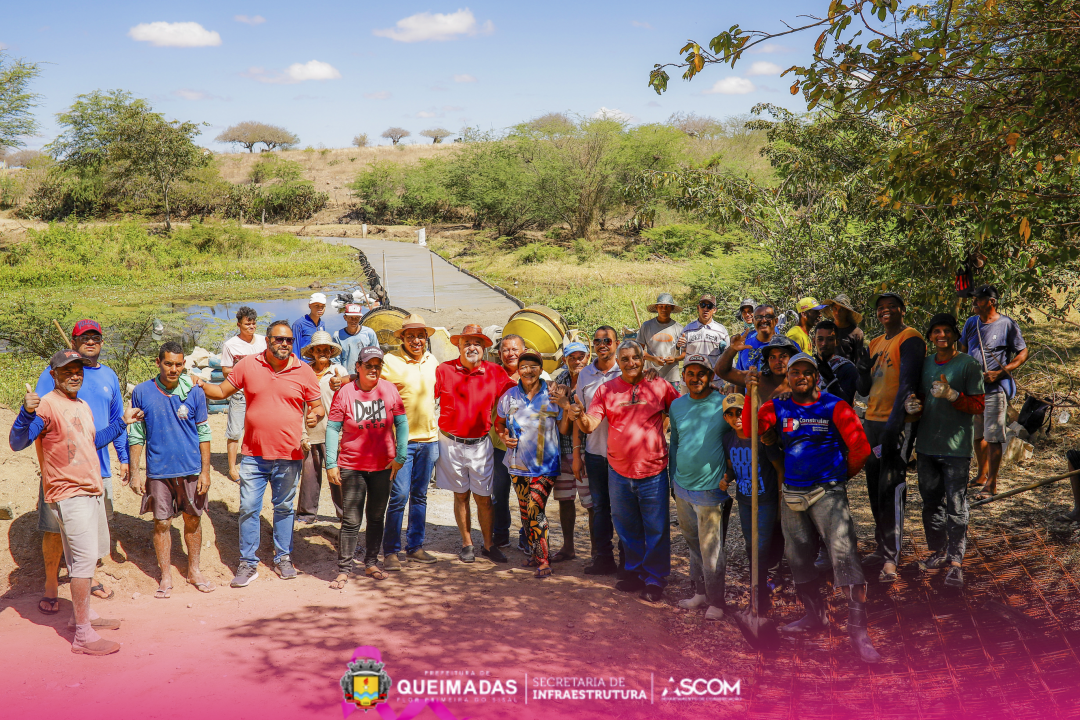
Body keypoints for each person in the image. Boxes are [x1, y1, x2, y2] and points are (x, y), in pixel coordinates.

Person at [746, 353, 880, 664]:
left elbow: (861, 448)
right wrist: (752, 395)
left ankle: (859, 633)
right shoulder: (778, 406)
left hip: (827, 492)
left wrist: (840, 477)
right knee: (797, 557)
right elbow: (751, 430)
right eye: (795, 372)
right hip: (792, 494)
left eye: (807, 372)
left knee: (844, 556)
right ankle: (814, 615)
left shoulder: (835, 406)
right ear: (788, 377)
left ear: (816, 377)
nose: (801, 376)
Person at [10, 349, 141, 655]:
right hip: (69, 493)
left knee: (82, 558)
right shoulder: (46, 405)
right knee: (82, 564)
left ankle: (84, 616)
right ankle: (83, 635)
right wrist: (26, 412)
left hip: (90, 490)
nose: (74, 375)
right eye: (67, 371)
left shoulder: (81, 405)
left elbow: (91, 441)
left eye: (78, 370)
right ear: (53, 375)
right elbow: (18, 442)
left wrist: (122, 423)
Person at [195, 320, 324, 587]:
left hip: (289, 455)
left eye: (289, 340)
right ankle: (248, 563)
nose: (284, 344)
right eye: (279, 339)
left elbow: (317, 406)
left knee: (284, 508)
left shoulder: (304, 371)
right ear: (267, 340)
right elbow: (221, 391)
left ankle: (283, 557)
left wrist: (315, 415)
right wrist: (200, 383)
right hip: (253, 454)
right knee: (248, 508)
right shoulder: (248, 365)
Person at [576, 340, 681, 602]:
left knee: (656, 529)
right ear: (618, 363)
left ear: (643, 360)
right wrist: (578, 415)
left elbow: (681, 411)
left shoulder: (659, 385)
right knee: (627, 528)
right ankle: (635, 573)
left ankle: (655, 579)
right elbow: (590, 424)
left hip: (653, 471)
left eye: (635, 358)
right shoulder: (606, 389)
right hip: (619, 472)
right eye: (625, 359)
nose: (631, 363)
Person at [34, 318, 128, 610]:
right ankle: (51, 584)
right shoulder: (54, 375)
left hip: (98, 469)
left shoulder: (109, 376)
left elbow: (117, 420)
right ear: (73, 342)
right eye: (84, 338)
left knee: (93, 531)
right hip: (61, 471)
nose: (90, 342)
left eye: (95, 338)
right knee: (54, 530)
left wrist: (123, 457)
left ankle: (90, 579)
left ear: (101, 342)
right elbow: (38, 419)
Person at [904, 313, 984, 589]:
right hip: (927, 447)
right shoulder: (925, 364)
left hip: (956, 449)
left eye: (947, 330)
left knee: (956, 506)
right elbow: (919, 398)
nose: (942, 335)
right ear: (930, 336)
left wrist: (953, 395)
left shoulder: (968, 365)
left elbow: (979, 405)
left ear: (955, 335)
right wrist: (912, 406)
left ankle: (956, 562)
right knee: (931, 505)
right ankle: (939, 551)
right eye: (936, 331)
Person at [127, 342, 214, 598]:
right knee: (162, 523)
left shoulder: (194, 392)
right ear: (158, 363)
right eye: (168, 364)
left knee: (193, 519)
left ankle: (194, 570)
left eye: (178, 364)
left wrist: (205, 472)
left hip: (190, 469)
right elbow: (137, 434)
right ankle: (165, 575)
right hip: (159, 470)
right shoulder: (142, 392)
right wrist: (135, 472)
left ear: (184, 364)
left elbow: (204, 433)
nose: (173, 369)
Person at [857, 292, 925, 584]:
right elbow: (864, 388)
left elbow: (908, 382)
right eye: (881, 308)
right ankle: (880, 546)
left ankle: (890, 557)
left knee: (892, 486)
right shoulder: (875, 342)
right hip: (872, 421)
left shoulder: (910, 338)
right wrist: (861, 368)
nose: (885, 311)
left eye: (891, 307)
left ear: (902, 310)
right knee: (874, 486)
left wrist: (894, 425)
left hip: (896, 424)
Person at [325, 346, 408, 585]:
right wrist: (331, 463)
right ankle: (344, 568)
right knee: (351, 520)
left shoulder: (389, 389)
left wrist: (401, 456)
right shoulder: (345, 392)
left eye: (377, 366)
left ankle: (371, 563)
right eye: (368, 365)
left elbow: (402, 423)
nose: (373, 370)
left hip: (383, 466)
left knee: (376, 517)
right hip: (352, 466)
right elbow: (333, 428)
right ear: (358, 367)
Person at [434, 323, 515, 564]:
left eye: (477, 343)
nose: (472, 347)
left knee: (484, 498)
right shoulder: (444, 370)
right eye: (467, 342)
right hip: (450, 443)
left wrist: (548, 385)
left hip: (481, 444)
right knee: (460, 495)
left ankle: (488, 545)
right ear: (458, 346)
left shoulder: (495, 372)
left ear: (484, 348)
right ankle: (467, 543)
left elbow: (518, 393)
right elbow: (423, 395)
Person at [495, 351, 573, 578]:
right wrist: (503, 437)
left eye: (533, 366)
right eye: (523, 367)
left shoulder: (552, 394)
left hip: (545, 465)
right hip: (517, 464)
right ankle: (534, 553)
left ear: (541, 369)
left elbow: (564, 430)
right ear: (518, 370)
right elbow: (499, 423)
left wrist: (566, 408)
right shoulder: (509, 396)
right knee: (525, 511)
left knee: (534, 509)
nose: (528, 371)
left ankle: (543, 561)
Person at [668, 355, 731, 620]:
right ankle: (701, 593)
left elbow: (736, 439)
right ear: (683, 377)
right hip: (682, 486)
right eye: (690, 373)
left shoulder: (722, 404)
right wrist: (672, 479)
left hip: (710, 488)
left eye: (701, 373)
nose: (696, 378)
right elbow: (675, 443)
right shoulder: (677, 405)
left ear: (711, 376)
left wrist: (731, 474)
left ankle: (717, 601)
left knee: (711, 548)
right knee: (694, 545)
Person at [381, 314, 441, 568]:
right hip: (401, 442)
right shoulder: (390, 361)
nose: (416, 341)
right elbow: (372, 387)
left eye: (420, 336)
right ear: (402, 338)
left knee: (420, 495)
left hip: (430, 439)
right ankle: (391, 551)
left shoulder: (432, 360)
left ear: (426, 338)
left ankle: (415, 547)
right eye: (411, 336)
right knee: (399, 496)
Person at [959, 284, 1029, 499]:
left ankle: (992, 484)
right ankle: (981, 475)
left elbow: (1023, 352)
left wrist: (1000, 372)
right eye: (973, 299)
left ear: (992, 302)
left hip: (994, 390)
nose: (974, 303)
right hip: (973, 389)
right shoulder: (971, 323)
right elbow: (963, 350)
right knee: (977, 435)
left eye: (979, 299)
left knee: (993, 436)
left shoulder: (1007, 324)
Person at [720, 393, 784, 613]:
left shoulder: (762, 437)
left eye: (740, 412)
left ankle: (761, 594)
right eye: (730, 414)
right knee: (750, 545)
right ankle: (758, 585)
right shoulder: (728, 439)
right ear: (725, 418)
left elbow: (780, 469)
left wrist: (780, 502)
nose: (736, 417)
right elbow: (732, 467)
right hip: (745, 500)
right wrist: (727, 478)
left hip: (766, 500)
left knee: (762, 545)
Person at [576, 326, 624, 576]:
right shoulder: (585, 374)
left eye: (607, 340)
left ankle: (628, 562)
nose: (602, 344)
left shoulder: (626, 369)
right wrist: (577, 453)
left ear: (617, 343)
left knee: (624, 509)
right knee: (600, 508)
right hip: (595, 453)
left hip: (623, 454)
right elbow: (578, 414)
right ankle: (604, 559)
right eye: (597, 341)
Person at [295, 331, 349, 524]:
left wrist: (344, 433)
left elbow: (349, 394)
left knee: (337, 475)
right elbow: (299, 406)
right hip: (310, 432)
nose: (323, 353)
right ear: (312, 352)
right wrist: (302, 433)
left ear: (331, 351)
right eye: (318, 350)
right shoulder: (304, 372)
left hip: (335, 432)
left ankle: (345, 514)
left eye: (326, 349)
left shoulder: (338, 371)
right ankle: (306, 514)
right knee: (310, 476)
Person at [550, 341, 593, 563]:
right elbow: (562, 423)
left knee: (591, 503)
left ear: (588, 357)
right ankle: (568, 547)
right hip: (562, 449)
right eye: (572, 358)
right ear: (565, 360)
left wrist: (566, 405)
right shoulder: (561, 379)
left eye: (581, 357)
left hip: (587, 450)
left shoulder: (593, 378)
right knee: (565, 500)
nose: (577, 361)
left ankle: (597, 552)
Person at [490, 334, 527, 552]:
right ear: (499, 353)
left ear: (524, 351)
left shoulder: (536, 374)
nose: (510, 354)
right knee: (499, 493)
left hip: (527, 447)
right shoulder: (493, 375)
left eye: (515, 349)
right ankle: (501, 534)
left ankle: (527, 536)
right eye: (506, 350)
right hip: (499, 445)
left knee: (526, 493)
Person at [221, 307, 267, 483]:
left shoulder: (264, 341)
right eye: (247, 324)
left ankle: (261, 462)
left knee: (260, 429)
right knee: (234, 432)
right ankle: (232, 468)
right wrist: (244, 372)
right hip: (240, 394)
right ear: (239, 324)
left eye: (254, 323)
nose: (251, 326)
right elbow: (226, 370)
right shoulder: (230, 345)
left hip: (261, 395)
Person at [717, 334, 800, 405]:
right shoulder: (758, 379)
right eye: (772, 357)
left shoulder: (802, 381)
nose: (778, 362)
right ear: (767, 361)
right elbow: (721, 371)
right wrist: (732, 349)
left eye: (783, 356)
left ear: (792, 358)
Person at [675, 294, 730, 388]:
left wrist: (729, 382)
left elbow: (728, 356)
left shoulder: (721, 330)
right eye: (703, 305)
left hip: (714, 382)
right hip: (691, 382)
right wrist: (677, 346)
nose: (706, 309)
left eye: (709, 306)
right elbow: (676, 354)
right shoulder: (688, 329)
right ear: (698, 308)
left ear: (714, 310)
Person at [639, 293, 685, 392]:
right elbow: (638, 350)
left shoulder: (678, 328)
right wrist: (653, 359)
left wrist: (675, 359)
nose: (664, 309)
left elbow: (684, 353)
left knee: (672, 401)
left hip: (672, 376)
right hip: (651, 375)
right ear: (656, 307)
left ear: (672, 308)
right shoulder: (647, 326)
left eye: (667, 306)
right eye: (661, 306)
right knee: (652, 401)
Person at [814, 320, 859, 406]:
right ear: (814, 341)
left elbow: (846, 404)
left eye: (830, 339)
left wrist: (831, 380)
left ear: (837, 342)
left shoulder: (847, 368)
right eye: (820, 339)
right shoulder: (809, 366)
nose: (824, 343)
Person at [733, 304, 779, 377]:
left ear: (776, 321)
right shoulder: (745, 345)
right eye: (759, 317)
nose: (763, 320)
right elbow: (739, 375)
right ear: (753, 321)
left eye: (768, 317)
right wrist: (731, 350)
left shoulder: (787, 345)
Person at [332, 303, 379, 373]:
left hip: (365, 374)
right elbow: (335, 360)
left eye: (356, 317)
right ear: (345, 318)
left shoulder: (369, 333)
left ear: (360, 318)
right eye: (350, 317)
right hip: (346, 375)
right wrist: (341, 375)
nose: (353, 320)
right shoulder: (338, 336)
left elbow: (375, 355)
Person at [824, 293, 867, 365]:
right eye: (835, 308)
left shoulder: (856, 333)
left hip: (847, 369)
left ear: (847, 311)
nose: (837, 312)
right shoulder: (826, 329)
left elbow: (858, 359)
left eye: (841, 310)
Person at [292, 293, 328, 363]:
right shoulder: (299, 324)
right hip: (304, 364)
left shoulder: (322, 324)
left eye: (322, 306)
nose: (320, 308)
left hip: (318, 363)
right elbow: (295, 348)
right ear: (310, 306)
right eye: (316, 306)